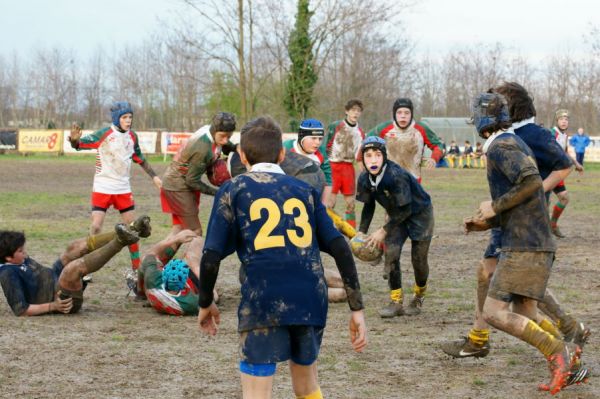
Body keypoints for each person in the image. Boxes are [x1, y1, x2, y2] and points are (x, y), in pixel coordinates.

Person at [197, 116, 367, 399]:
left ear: (241, 156)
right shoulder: (305, 191)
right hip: (310, 298)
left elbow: (211, 255)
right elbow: (339, 247)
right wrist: (356, 309)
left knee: (257, 394)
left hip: (263, 300)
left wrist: (205, 304)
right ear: (282, 154)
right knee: (307, 388)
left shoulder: (233, 189)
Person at [442, 82, 589, 361]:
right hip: (517, 224)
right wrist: (491, 218)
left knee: (506, 292)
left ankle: (559, 343)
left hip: (526, 229)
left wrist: (510, 202)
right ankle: (565, 344)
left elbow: (545, 174)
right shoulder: (511, 137)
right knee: (520, 301)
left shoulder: (520, 137)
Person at [69, 102, 161, 272]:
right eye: (125, 117)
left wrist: (154, 177)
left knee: (132, 228)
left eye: (130, 117)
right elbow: (79, 145)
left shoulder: (132, 137)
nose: (128, 120)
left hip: (123, 189)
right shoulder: (104, 134)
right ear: (117, 119)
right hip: (102, 187)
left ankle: (136, 269)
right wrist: (74, 140)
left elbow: (139, 158)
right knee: (96, 226)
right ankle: (87, 265)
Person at [0, 216, 150, 316]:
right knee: (72, 269)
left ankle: (132, 229)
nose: (25, 254)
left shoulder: (18, 260)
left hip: (55, 278)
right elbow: (21, 310)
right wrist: (54, 306)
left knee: (74, 247)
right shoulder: (7, 273)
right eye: (20, 251)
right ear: (8, 257)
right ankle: (122, 241)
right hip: (62, 299)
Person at [356, 136, 434, 317]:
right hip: (397, 214)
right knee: (391, 254)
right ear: (363, 158)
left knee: (419, 260)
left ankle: (419, 296)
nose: (373, 160)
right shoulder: (364, 178)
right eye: (368, 155)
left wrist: (383, 230)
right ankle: (396, 301)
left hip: (420, 214)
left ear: (384, 156)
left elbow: (406, 210)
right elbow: (369, 205)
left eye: (377, 155)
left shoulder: (396, 175)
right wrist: (362, 231)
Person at [161, 112, 237, 237]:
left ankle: (155, 256)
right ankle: (157, 255)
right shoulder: (202, 147)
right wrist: (217, 192)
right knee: (195, 232)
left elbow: (225, 144)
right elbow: (192, 181)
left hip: (177, 182)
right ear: (215, 130)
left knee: (179, 230)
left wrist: (236, 148)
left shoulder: (210, 130)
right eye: (223, 136)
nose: (225, 140)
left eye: (229, 137)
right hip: (178, 186)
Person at [136, 229, 219, 315]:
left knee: (145, 259)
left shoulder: (153, 280)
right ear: (184, 284)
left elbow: (151, 253)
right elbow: (212, 300)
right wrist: (194, 267)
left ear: (164, 275)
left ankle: (140, 291)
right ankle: (192, 241)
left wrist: (176, 239)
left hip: (156, 294)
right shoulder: (190, 302)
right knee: (196, 242)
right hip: (194, 284)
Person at [367, 98, 443, 183]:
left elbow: (438, 145)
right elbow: (367, 141)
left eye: (407, 113)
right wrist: (362, 159)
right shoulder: (384, 128)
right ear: (394, 114)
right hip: (389, 179)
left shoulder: (421, 129)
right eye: (399, 113)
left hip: (413, 180)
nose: (403, 116)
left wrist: (434, 158)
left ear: (411, 114)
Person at [324, 99, 365, 228]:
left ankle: (351, 234)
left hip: (348, 168)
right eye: (353, 110)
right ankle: (328, 230)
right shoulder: (335, 126)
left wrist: (361, 163)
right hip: (333, 166)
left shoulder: (360, 133)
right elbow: (327, 145)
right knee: (330, 203)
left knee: (351, 204)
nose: (355, 113)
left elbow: (359, 153)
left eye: (358, 111)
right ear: (346, 111)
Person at [549, 109, 584, 238]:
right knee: (542, 201)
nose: (564, 121)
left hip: (556, 173)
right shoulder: (552, 133)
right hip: (546, 173)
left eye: (566, 119)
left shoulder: (564, 135)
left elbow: (564, 152)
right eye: (561, 119)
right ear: (557, 121)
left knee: (564, 198)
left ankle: (552, 225)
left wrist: (576, 163)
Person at [283, 118, 333, 204]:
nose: (317, 142)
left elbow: (328, 181)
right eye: (313, 138)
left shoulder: (321, 153)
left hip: (311, 199)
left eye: (320, 139)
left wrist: (324, 206)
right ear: (302, 137)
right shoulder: (285, 148)